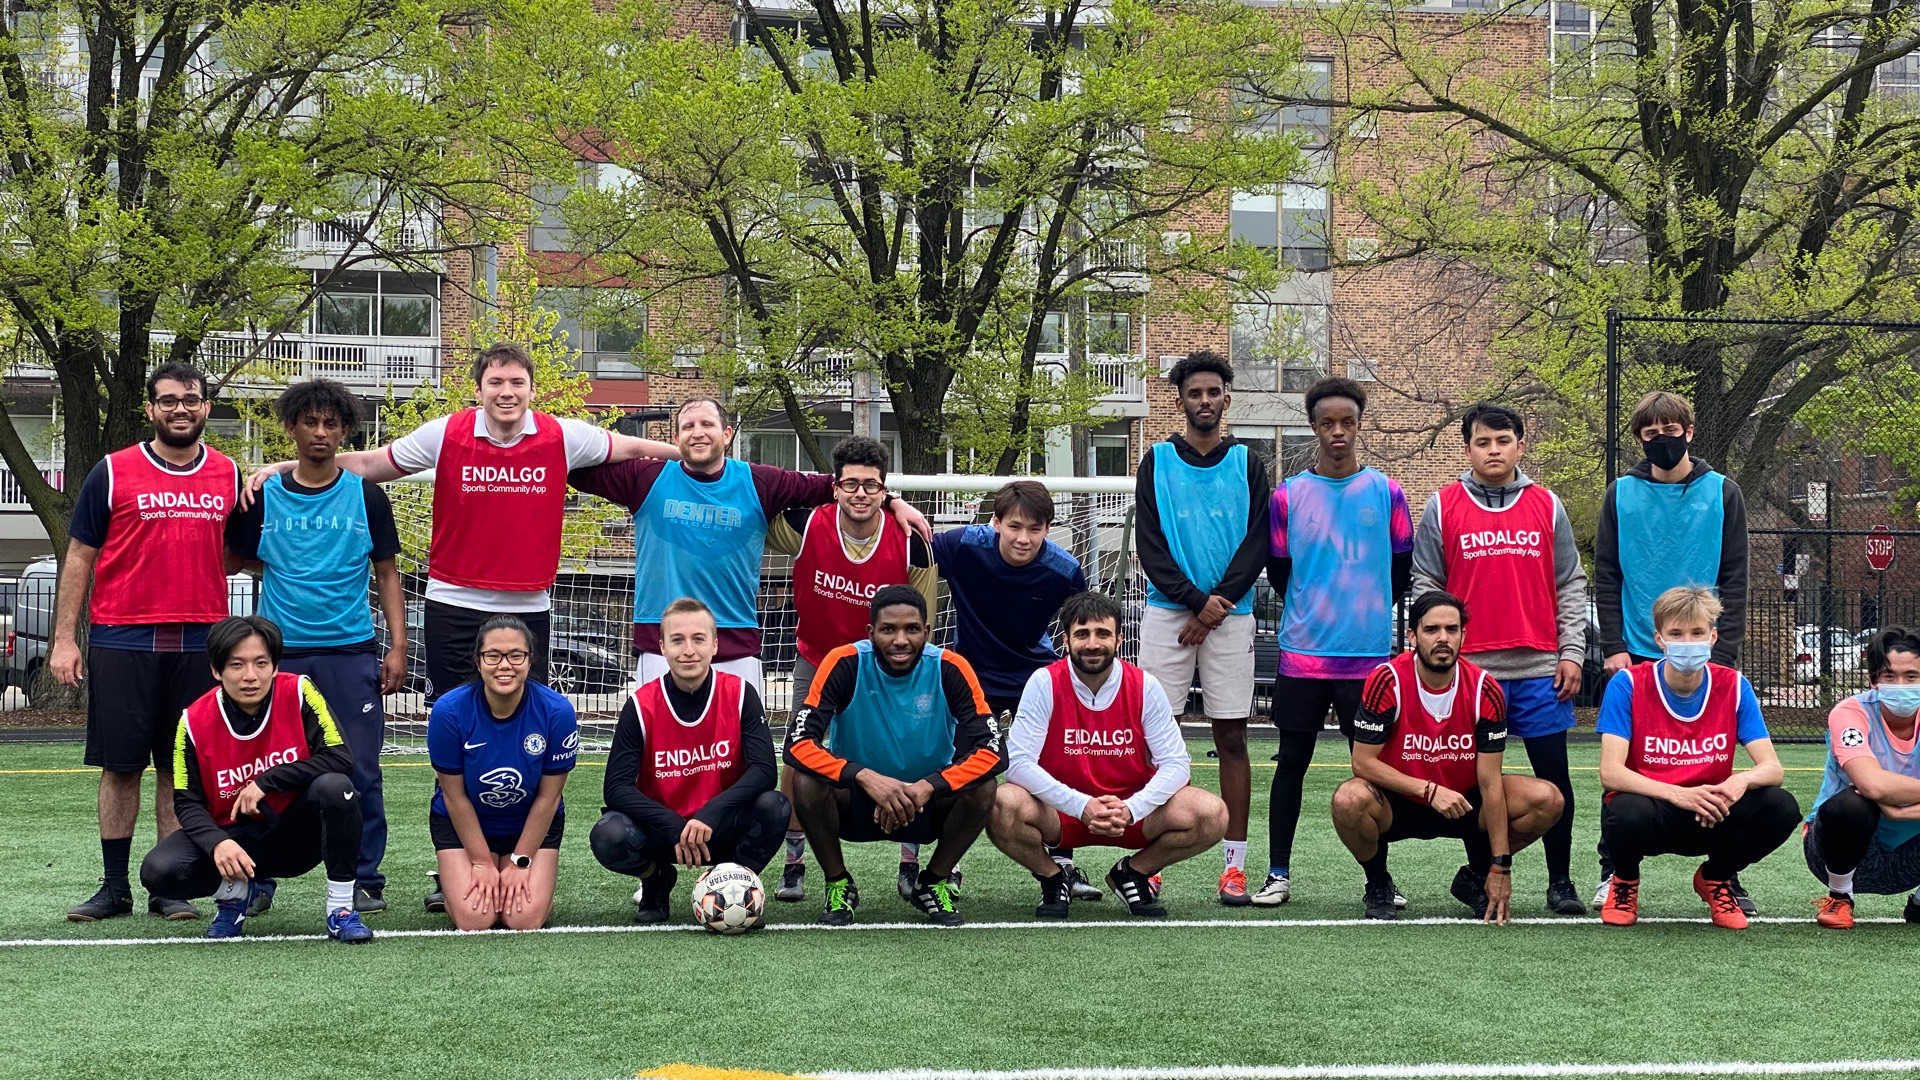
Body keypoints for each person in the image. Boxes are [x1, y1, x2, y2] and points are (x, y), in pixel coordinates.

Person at [243, 342, 679, 697]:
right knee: (453, 719)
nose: (506, 392)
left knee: (525, 719)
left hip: (528, 603)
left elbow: (633, 448)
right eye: (495, 383)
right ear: (479, 390)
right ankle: (448, 807)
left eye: (516, 382)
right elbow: (374, 463)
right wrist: (287, 467)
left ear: (531, 390)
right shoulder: (446, 433)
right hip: (453, 600)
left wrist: (687, 455)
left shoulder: (563, 435)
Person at [569, 396, 928, 693]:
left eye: (707, 425)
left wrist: (893, 499)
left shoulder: (759, 482)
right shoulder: (646, 477)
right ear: (675, 438)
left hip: (734, 640)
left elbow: (836, 485)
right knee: (661, 755)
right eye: (688, 427)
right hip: (662, 639)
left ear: (726, 434)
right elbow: (573, 465)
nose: (698, 433)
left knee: (739, 759)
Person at [55, 362, 239, 923]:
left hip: (199, 641)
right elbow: (81, 556)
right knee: (122, 766)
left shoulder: (230, 475)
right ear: (150, 409)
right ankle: (114, 888)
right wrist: (65, 639)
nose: (180, 408)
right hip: (122, 636)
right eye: (168, 400)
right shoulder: (112, 472)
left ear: (207, 407)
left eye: (191, 399)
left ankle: (169, 884)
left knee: (178, 768)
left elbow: (240, 552)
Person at [224, 379, 406, 916]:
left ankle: (365, 878)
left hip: (351, 651)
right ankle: (258, 879)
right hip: (281, 656)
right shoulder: (262, 497)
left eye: (332, 424)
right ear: (292, 428)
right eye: (311, 423)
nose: (321, 433)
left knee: (361, 766)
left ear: (345, 430)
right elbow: (237, 560)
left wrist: (397, 648)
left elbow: (389, 574)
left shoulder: (366, 495)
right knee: (269, 767)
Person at [1410, 402, 1590, 915]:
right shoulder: (1443, 506)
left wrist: (1571, 651)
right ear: (1467, 448)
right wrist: (1440, 656)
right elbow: (1425, 584)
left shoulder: (1547, 505)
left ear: (1520, 445)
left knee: (1555, 780)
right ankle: (1478, 875)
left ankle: (1561, 882)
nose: (1493, 450)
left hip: (1539, 668)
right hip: (1472, 674)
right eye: (1483, 442)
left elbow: (1570, 584)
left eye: (1503, 441)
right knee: (1475, 781)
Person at [1594, 389, 1750, 911]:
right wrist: (1613, 645)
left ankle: (1725, 870)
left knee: (1713, 757)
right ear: (1639, 438)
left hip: (1702, 646)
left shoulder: (1723, 492)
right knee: (1625, 761)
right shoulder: (1620, 493)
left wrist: (1723, 649)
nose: (1663, 439)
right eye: (1650, 433)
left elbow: (1735, 576)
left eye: (1671, 428)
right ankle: (1613, 869)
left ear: (1690, 429)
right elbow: (1608, 573)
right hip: (1639, 646)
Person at [765, 436, 936, 904]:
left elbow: (925, 614)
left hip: (882, 668)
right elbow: (755, 503)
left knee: (909, 754)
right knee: (798, 758)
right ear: (835, 487)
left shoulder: (910, 541)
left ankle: (910, 861)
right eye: (851, 484)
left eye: (873, 486)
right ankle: (795, 860)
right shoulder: (803, 525)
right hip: (816, 659)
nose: (861, 494)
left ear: (885, 491)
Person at [1263, 375, 1413, 908]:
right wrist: (1315, 606)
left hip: (1369, 661)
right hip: (1304, 656)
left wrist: (1366, 611)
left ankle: (1379, 881)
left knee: (1370, 773)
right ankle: (1277, 873)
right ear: (1313, 427)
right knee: (1291, 764)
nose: (1338, 432)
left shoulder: (1387, 492)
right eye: (1327, 423)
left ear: (1359, 425)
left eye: (1347, 423)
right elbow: (1280, 571)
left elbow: (1401, 570)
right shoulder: (1287, 496)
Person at [990, 591, 1229, 918]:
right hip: (1061, 813)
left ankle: (1133, 872)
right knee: (1001, 803)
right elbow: (1017, 765)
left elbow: (1176, 764)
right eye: (1082, 634)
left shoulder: (1145, 686)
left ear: (1118, 639)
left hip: (1129, 814)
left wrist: (1132, 809)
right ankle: (1053, 877)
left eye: (1102, 633)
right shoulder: (1043, 683)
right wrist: (1081, 805)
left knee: (1211, 813)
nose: (1092, 643)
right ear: (1066, 640)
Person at [1133, 350, 1271, 907]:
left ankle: (1233, 866)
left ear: (1226, 399)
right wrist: (1194, 603)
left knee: (1232, 736)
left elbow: (1258, 541)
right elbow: (1151, 545)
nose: (1205, 401)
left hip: (1232, 616)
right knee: (1154, 737)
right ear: (1181, 400)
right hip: (1169, 613)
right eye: (1195, 393)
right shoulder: (1157, 461)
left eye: (1214, 392)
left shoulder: (1249, 463)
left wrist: (1217, 606)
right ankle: (1151, 861)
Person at [139, 616, 373, 942]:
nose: (251, 676)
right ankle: (235, 894)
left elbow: (340, 758)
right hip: (235, 839)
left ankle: (340, 908)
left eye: (261, 663)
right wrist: (216, 842)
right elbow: (186, 801)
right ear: (216, 671)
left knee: (337, 788)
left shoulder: (300, 691)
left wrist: (267, 781)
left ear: (275, 666)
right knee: (158, 871)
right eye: (237, 665)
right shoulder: (193, 721)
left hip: (296, 836)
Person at [1334, 592, 1563, 922]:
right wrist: (1428, 790)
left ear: (1463, 636)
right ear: (1412, 636)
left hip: (1463, 803)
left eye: (1452, 629)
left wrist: (1501, 864)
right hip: (1399, 802)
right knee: (1348, 799)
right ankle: (1378, 881)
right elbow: (1363, 762)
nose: (1443, 638)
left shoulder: (1485, 689)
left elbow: (1489, 781)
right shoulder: (1387, 680)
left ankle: (1477, 877)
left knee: (1548, 799)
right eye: (1432, 630)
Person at [783, 585, 1002, 926]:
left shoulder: (950, 667)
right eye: (888, 629)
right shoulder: (844, 663)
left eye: (911, 629)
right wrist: (864, 776)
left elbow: (992, 749)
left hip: (925, 803)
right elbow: (797, 744)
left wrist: (928, 786)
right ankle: (838, 883)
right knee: (806, 780)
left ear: (926, 632)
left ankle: (933, 882)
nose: (900, 640)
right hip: (857, 801)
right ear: (870, 632)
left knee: (984, 786)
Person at [926, 479, 1093, 901]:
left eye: (1034, 529)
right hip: (972, 673)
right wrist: (893, 504)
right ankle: (948, 867)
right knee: (959, 767)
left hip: (1033, 675)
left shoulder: (1065, 570)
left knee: (1056, 765)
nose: (1023, 538)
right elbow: (913, 545)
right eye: (1014, 526)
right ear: (995, 522)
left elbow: (1081, 626)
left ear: (1047, 530)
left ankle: (1064, 865)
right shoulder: (964, 545)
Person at [1595, 586, 1798, 929]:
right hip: (1656, 810)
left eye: (1697, 633)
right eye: (1676, 633)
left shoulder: (1734, 686)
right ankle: (1625, 880)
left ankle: (1716, 877)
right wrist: (1678, 794)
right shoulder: (1628, 684)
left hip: (1711, 812)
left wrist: (1739, 781)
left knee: (1781, 806)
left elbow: (1772, 768)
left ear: (1713, 636)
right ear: (1659, 638)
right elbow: (1610, 773)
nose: (1687, 641)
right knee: (1625, 809)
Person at [591, 598, 789, 923]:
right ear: (662, 647)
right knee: (608, 834)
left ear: (714, 645)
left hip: (719, 827)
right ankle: (656, 879)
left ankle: (733, 884)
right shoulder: (640, 705)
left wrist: (708, 815)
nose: (688, 650)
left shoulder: (741, 694)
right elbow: (616, 789)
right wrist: (675, 825)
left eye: (698, 639)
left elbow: (764, 771)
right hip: (665, 832)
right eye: (677, 640)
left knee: (774, 806)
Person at [427, 615, 580, 931]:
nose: (504, 665)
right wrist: (482, 862)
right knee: (475, 920)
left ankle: (514, 867)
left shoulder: (557, 712)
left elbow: (549, 799)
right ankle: (462, 873)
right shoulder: (448, 712)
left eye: (515, 655)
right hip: (464, 821)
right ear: (478, 661)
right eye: (493, 655)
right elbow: (454, 798)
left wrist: (520, 861)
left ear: (529, 660)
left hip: (529, 821)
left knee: (523, 919)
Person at [1803, 627, 1920, 928]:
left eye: (1911, 676)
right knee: (1852, 804)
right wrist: (1883, 797)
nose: (1901, 685)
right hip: (1840, 851)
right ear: (1873, 681)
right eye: (1889, 676)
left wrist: (1897, 805)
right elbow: (1871, 784)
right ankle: (1840, 896)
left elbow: (1882, 789)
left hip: (1910, 852)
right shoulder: (1850, 712)